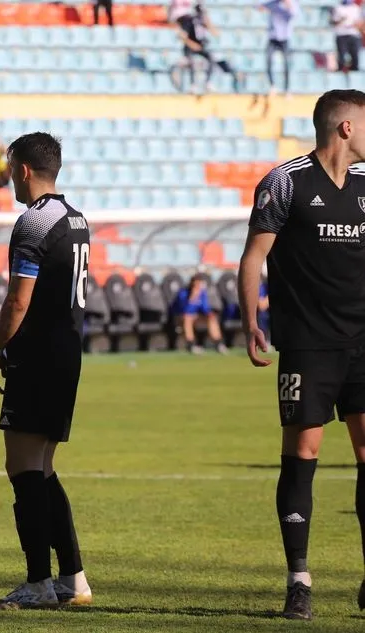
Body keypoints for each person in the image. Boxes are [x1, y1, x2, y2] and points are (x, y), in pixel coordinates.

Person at [237, 89, 365, 620]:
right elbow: (253, 257)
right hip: (308, 344)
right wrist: (250, 320)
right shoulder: (285, 182)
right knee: (303, 454)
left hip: (363, 344)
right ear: (346, 128)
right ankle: (299, 582)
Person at [0, 132, 92, 610]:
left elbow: (18, 299)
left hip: (38, 356)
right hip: (67, 352)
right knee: (43, 468)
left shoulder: (33, 222)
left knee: (23, 467)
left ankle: (37, 584)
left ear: (24, 170)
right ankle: (73, 579)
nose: (10, 178)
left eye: (11, 169)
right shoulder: (76, 218)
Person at [174, 2, 244, 93]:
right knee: (192, 61)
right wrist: (193, 45)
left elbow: (216, 33)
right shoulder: (189, 21)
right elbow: (182, 36)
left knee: (211, 59)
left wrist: (208, 22)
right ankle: (193, 85)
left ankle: (208, 83)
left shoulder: (202, 21)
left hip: (201, 47)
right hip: (190, 48)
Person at [173, 275, 228, 354]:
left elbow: (204, 307)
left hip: (196, 317)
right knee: (188, 318)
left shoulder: (202, 293)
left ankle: (219, 344)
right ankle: (191, 345)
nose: (198, 286)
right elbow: (186, 310)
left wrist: (209, 313)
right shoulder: (183, 293)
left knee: (211, 318)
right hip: (182, 317)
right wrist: (193, 297)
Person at [260, 0, 298, 95]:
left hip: (284, 38)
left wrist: (288, 4)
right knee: (268, 61)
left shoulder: (292, 3)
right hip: (273, 38)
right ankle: (272, 86)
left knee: (287, 64)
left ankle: (287, 89)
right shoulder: (273, 3)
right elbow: (259, 6)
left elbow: (294, 14)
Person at [332, 0, 362, 72]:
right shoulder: (338, 8)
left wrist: (355, 25)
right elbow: (334, 22)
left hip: (353, 34)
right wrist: (342, 20)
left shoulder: (356, 8)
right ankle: (340, 71)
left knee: (355, 56)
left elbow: (360, 23)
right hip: (341, 34)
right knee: (341, 56)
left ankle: (354, 72)